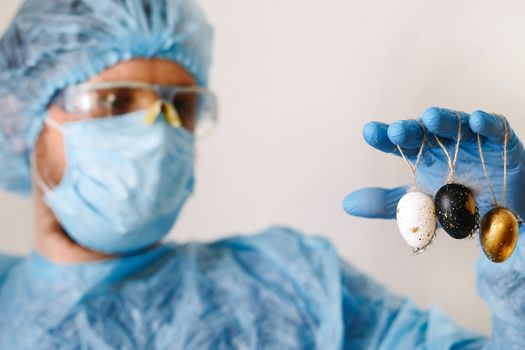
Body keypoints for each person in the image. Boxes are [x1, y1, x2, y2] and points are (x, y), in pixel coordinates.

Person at [0, 0, 523, 349]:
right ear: (21, 122)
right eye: (114, 101)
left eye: (178, 107)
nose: (156, 135)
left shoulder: (292, 287)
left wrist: (515, 240)